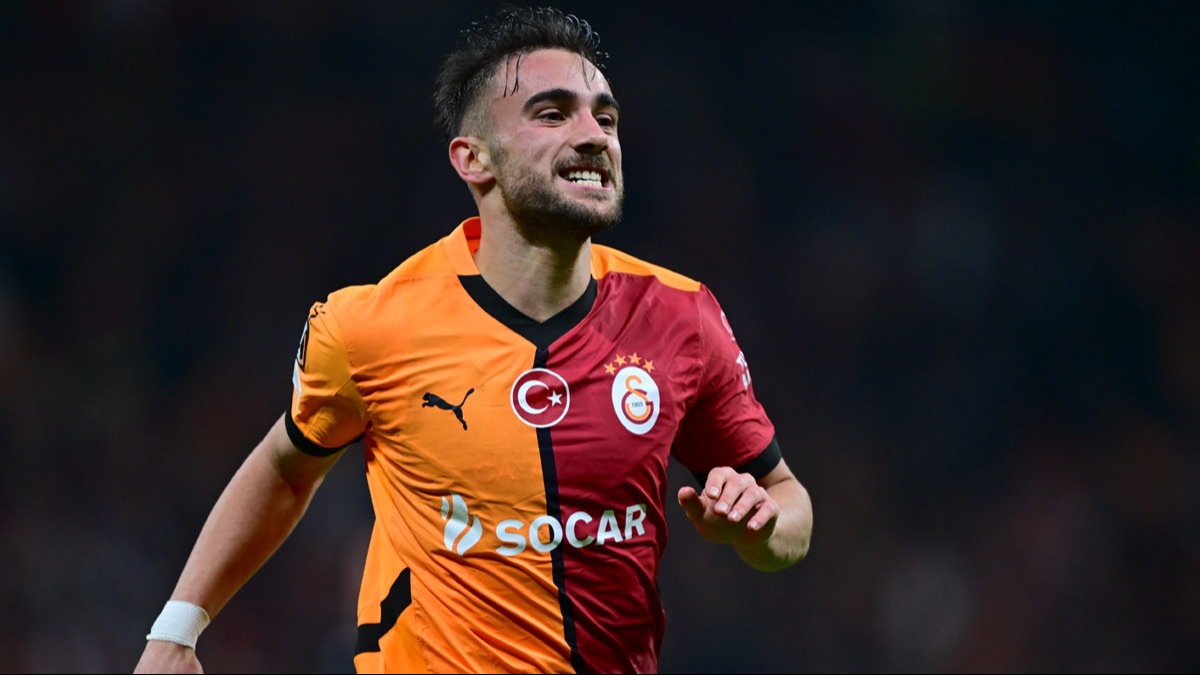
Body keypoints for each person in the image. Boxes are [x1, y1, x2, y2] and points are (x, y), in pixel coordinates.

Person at [135, 6, 813, 673]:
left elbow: (787, 509)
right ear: (473, 159)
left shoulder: (681, 316)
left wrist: (760, 527)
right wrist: (177, 629)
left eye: (605, 118)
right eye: (553, 114)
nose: (594, 135)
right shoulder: (374, 324)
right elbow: (286, 466)